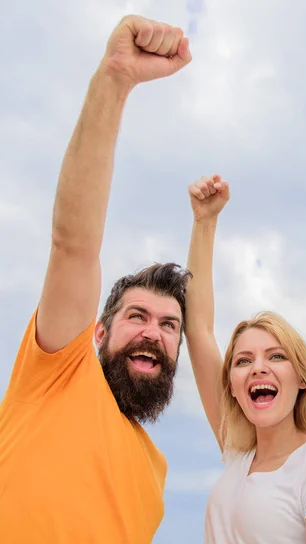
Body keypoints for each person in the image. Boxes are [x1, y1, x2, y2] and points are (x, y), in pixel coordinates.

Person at [0, 15, 192, 543]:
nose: (155, 331)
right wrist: (115, 79)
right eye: (138, 317)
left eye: (170, 325)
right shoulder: (58, 372)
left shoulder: (157, 472)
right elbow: (74, 245)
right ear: (99, 333)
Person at [185, 175, 306, 543]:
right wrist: (204, 223)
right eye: (243, 361)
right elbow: (198, 328)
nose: (258, 367)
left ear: (303, 378)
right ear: (231, 385)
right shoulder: (238, 457)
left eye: (276, 356)